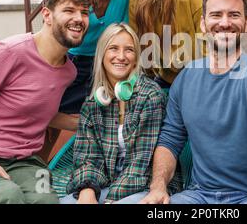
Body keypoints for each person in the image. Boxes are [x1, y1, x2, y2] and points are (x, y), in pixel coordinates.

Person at [118, 0, 247, 204]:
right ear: (203, 23)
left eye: (234, 15)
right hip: (199, 196)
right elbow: (170, 140)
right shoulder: (186, 78)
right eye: (216, 15)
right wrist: (158, 187)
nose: (224, 22)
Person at [0, 0, 94, 204]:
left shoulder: (68, 72)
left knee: (46, 199)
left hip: (25, 163)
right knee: (8, 197)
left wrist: (84, 122)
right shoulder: (9, 53)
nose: (79, 18)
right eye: (69, 10)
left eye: (84, 12)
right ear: (47, 15)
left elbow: (36, 110)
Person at [40, 0, 135, 161]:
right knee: (47, 125)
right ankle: (37, 170)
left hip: (105, 62)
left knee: (112, 117)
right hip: (70, 59)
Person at [61, 23, 182, 204]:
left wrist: (109, 200)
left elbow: (141, 164)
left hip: (145, 185)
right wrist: (87, 190)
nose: (121, 56)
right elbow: (87, 157)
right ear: (102, 55)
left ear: (136, 58)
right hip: (106, 184)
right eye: (113, 48)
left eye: (129, 50)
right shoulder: (94, 102)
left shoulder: (151, 96)